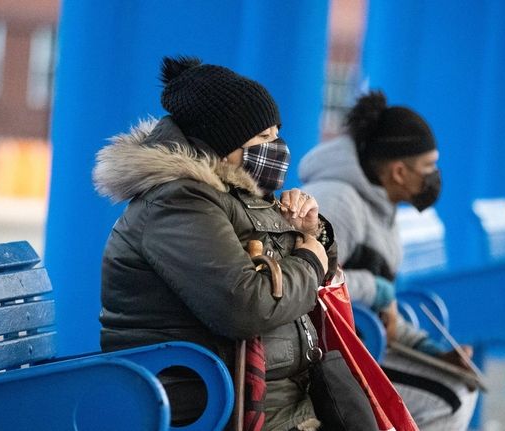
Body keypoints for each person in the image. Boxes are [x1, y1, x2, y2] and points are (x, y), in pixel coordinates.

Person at [93, 55, 337, 431]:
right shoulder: (179, 202)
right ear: (221, 145)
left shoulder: (236, 194)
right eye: (263, 138)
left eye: (276, 133)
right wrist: (309, 259)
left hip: (276, 398)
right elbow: (245, 304)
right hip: (213, 406)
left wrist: (311, 232)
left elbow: (318, 273)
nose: (278, 147)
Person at [299, 90, 478, 430]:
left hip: (363, 342)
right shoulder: (337, 201)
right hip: (324, 357)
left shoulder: (383, 209)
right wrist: (379, 290)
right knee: (448, 400)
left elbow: (384, 314)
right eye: (428, 166)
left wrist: (429, 351)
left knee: (462, 386)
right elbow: (309, 279)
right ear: (398, 171)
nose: (434, 175)